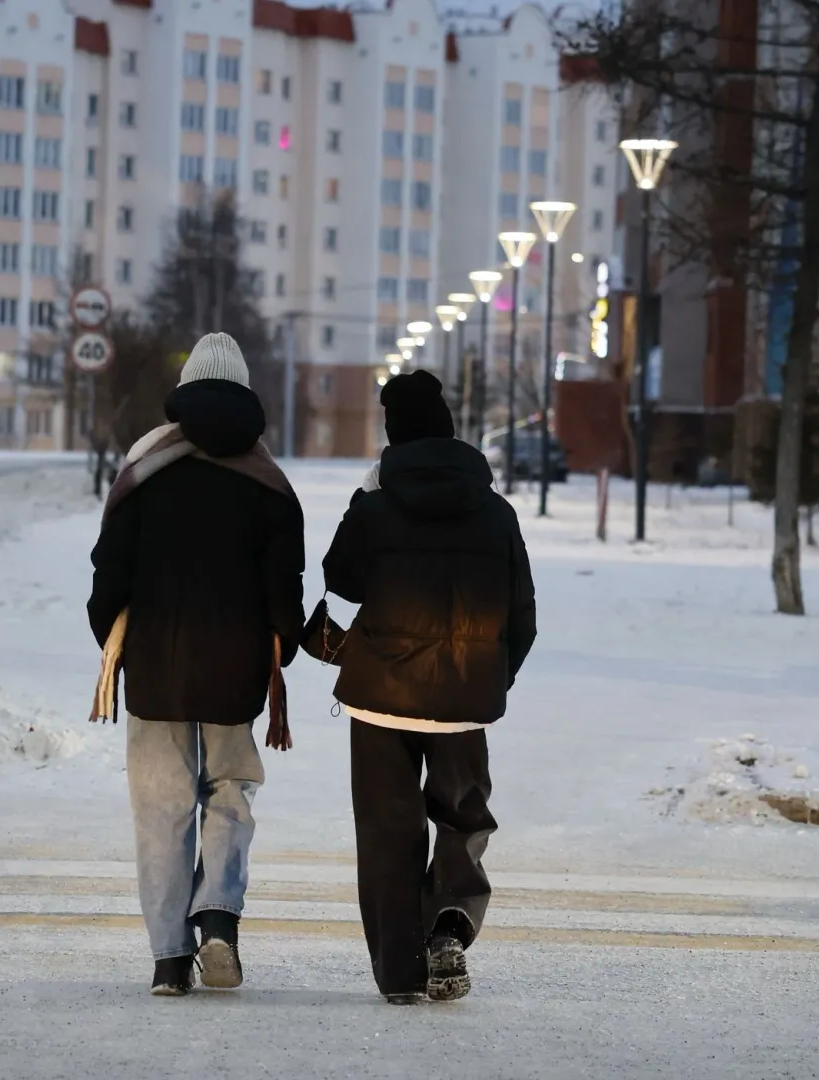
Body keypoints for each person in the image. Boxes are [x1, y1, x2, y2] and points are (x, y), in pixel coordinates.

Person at [87, 332, 305, 997]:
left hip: (155, 667)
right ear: (245, 394)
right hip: (236, 674)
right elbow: (284, 590)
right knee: (230, 794)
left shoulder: (144, 470)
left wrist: (118, 643)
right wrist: (281, 649)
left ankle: (169, 961)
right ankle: (217, 919)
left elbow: (108, 575)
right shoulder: (268, 482)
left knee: (160, 811)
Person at [319, 370, 536, 1005]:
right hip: (464, 702)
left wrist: (364, 500)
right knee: (463, 814)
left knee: (388, 831)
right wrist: (488, 679)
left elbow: (340, 578)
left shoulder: (379, 505)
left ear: (392, 435)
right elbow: (521, 613)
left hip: (380, 697)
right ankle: (450, 920)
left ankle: (401, 975)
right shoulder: (497, 512)